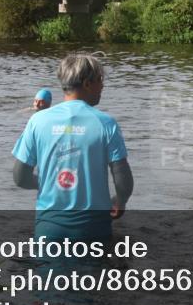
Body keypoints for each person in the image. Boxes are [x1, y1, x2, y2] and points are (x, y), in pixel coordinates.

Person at [11, 53, 133, 243]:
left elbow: (20, 178)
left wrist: (47, 183)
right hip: (94, 229)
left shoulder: (37, 121)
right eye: (100, 80)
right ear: (86, 84)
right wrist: (121, 200)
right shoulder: (106, 123)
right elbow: (123, 182)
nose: (103, 86)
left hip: (48, 229)